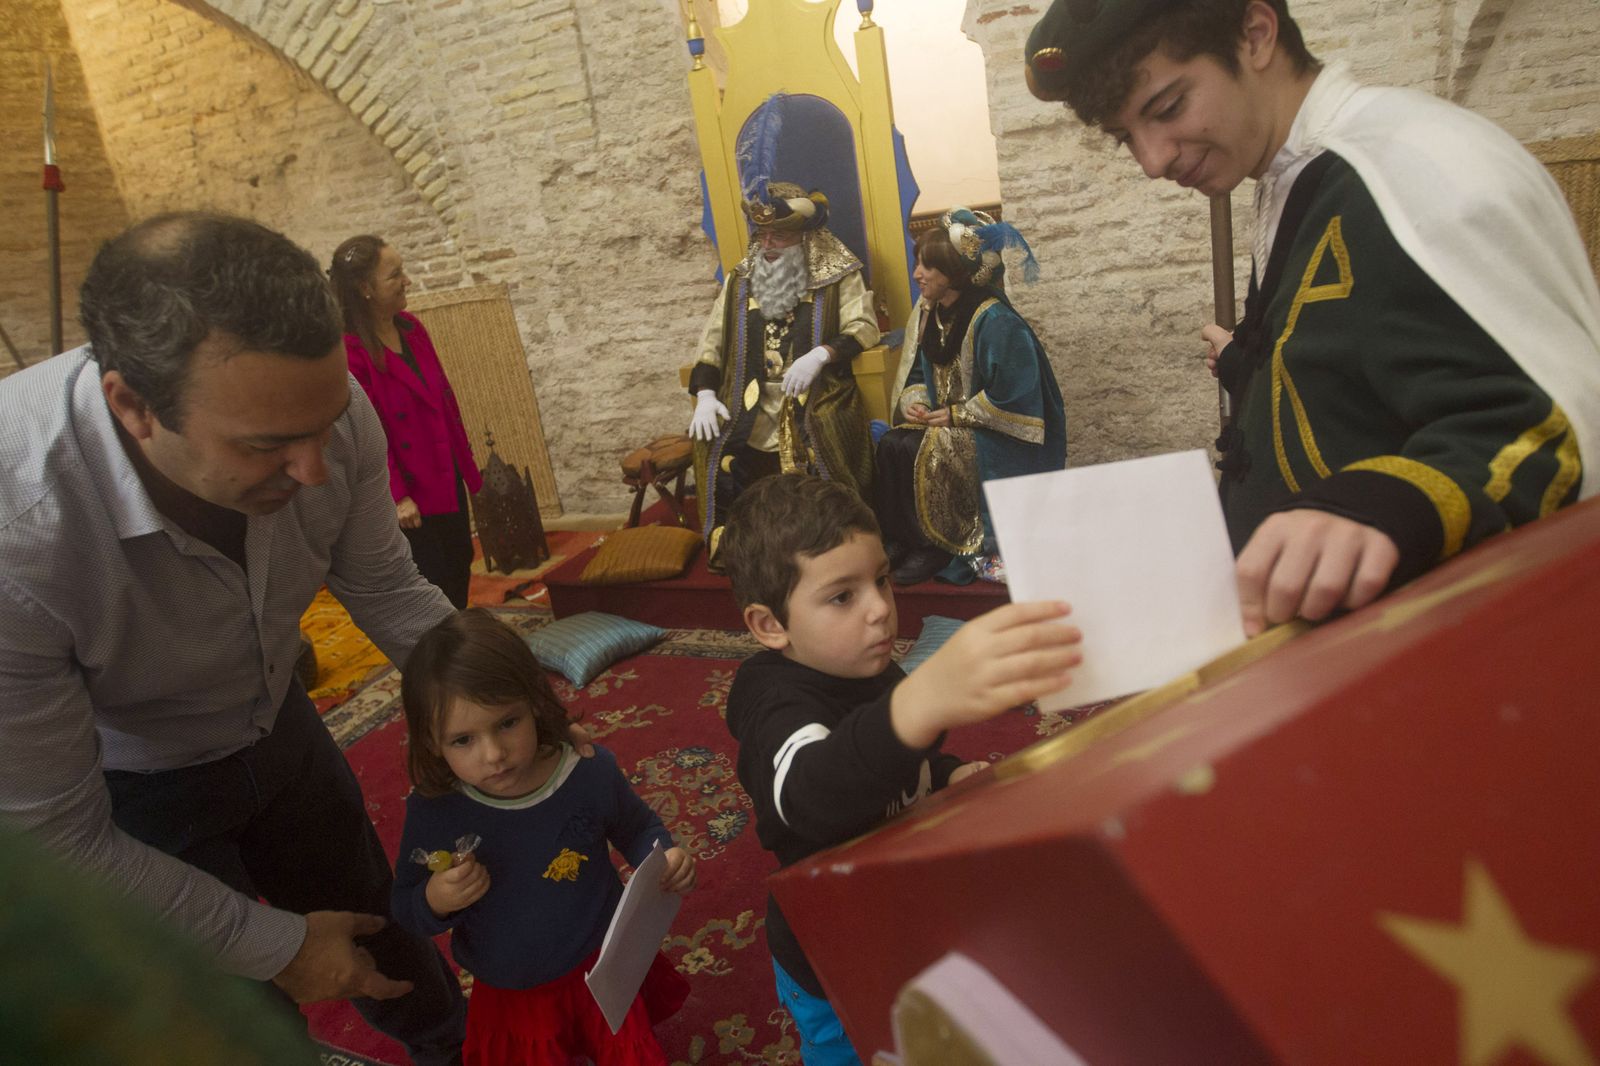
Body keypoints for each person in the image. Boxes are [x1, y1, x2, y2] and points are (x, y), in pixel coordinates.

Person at [0, 212, 478, 1063]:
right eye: (268, 447)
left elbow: (382, 584)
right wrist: (282, 949)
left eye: (325, 424)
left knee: (378, 919)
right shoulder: (18, 531)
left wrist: (506, 696)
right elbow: (60, 843)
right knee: (231, 1014)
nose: (315, 471)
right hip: (128, 789)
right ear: (133, 407)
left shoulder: (329, 406)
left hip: (277, 721)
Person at [1025, 0, 1600, 636]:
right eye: (1126, 135)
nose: (1153, 160)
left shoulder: (1402, 169)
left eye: (1167, 108)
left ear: (1256, 34)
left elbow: (1547, 431)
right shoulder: (1292, 172)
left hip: (1430, 645)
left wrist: (1379, 508)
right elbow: (1374, 349)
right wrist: (1255, 362)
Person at [719, 473, 1083, 1065]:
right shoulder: (774, 703)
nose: (880, 611)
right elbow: (812, 795)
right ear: (770, 625)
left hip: (897, 912)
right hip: (826, 949)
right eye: (843, 597)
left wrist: (947, 776)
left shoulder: (873, 669)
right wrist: (919, 704)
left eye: (882, 581)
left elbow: (905, 761)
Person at [391, 608, 696, 1066]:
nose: (493, 754)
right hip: (513, 992)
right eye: (463, 740)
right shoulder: (436, 810)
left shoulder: (587, 771)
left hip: (601, 966)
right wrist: (435, 898)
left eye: (507, 723)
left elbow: (635, 825)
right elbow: (405, 907)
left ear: (534, 702)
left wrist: (666, 855)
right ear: (432, 742)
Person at [687, 98, 881, 565]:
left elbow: (865, 326)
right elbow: (711, 342)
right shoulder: (742, 278)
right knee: (712, 441)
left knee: (826, 447)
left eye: (779, 237)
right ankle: (743, 552)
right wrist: (705, 395)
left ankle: (830, 553)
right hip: (748, 406)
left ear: (804, 237)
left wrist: (821, 356)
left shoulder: (837, 272)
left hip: (815, 399)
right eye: (762, 237)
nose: (768, 246)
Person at [876, 209, 1066, 586]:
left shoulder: (996, 322)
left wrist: (957, 414)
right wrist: (919, 402)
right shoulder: (934, 315)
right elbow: (917, 372)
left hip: (998, 437)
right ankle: (903, 539)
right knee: (892, 442)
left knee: (919, 448)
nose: (917, 275)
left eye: (927, 267)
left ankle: (935, 545)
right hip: (947, 423)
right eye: (918, 264)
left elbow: (1017, 397)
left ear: (954, 271)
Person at [330, 235, 483, 609]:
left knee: (460, 559)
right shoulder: (351, 353)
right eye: (395, 274)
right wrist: (398, 496)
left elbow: (445, 401)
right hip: (409, 490)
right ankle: (442, 653)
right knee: (432, 576)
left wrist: (466, 467)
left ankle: (457, 646)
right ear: (366, 289)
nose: (407, 281)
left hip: (444, 471)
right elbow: (369, 431)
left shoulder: (413, 329)